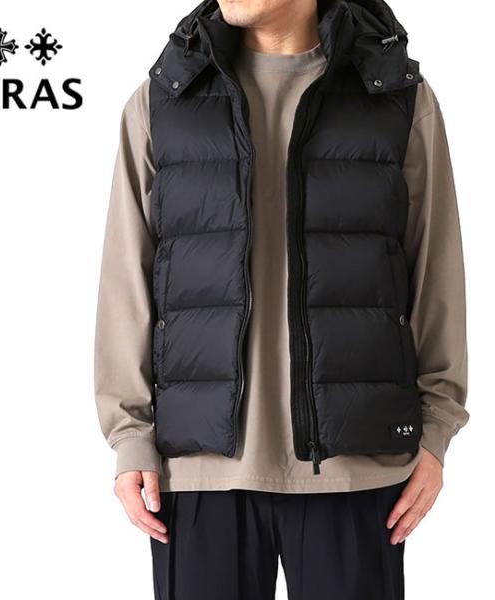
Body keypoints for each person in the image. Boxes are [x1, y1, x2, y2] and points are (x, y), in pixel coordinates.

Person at [94, 0, 469, 598]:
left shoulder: (395, 97)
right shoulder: (164, 101)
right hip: (196, 472)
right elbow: (127, 278)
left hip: (356, 466)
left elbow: (436, 267)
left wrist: (436, 431)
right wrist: (129, 435)